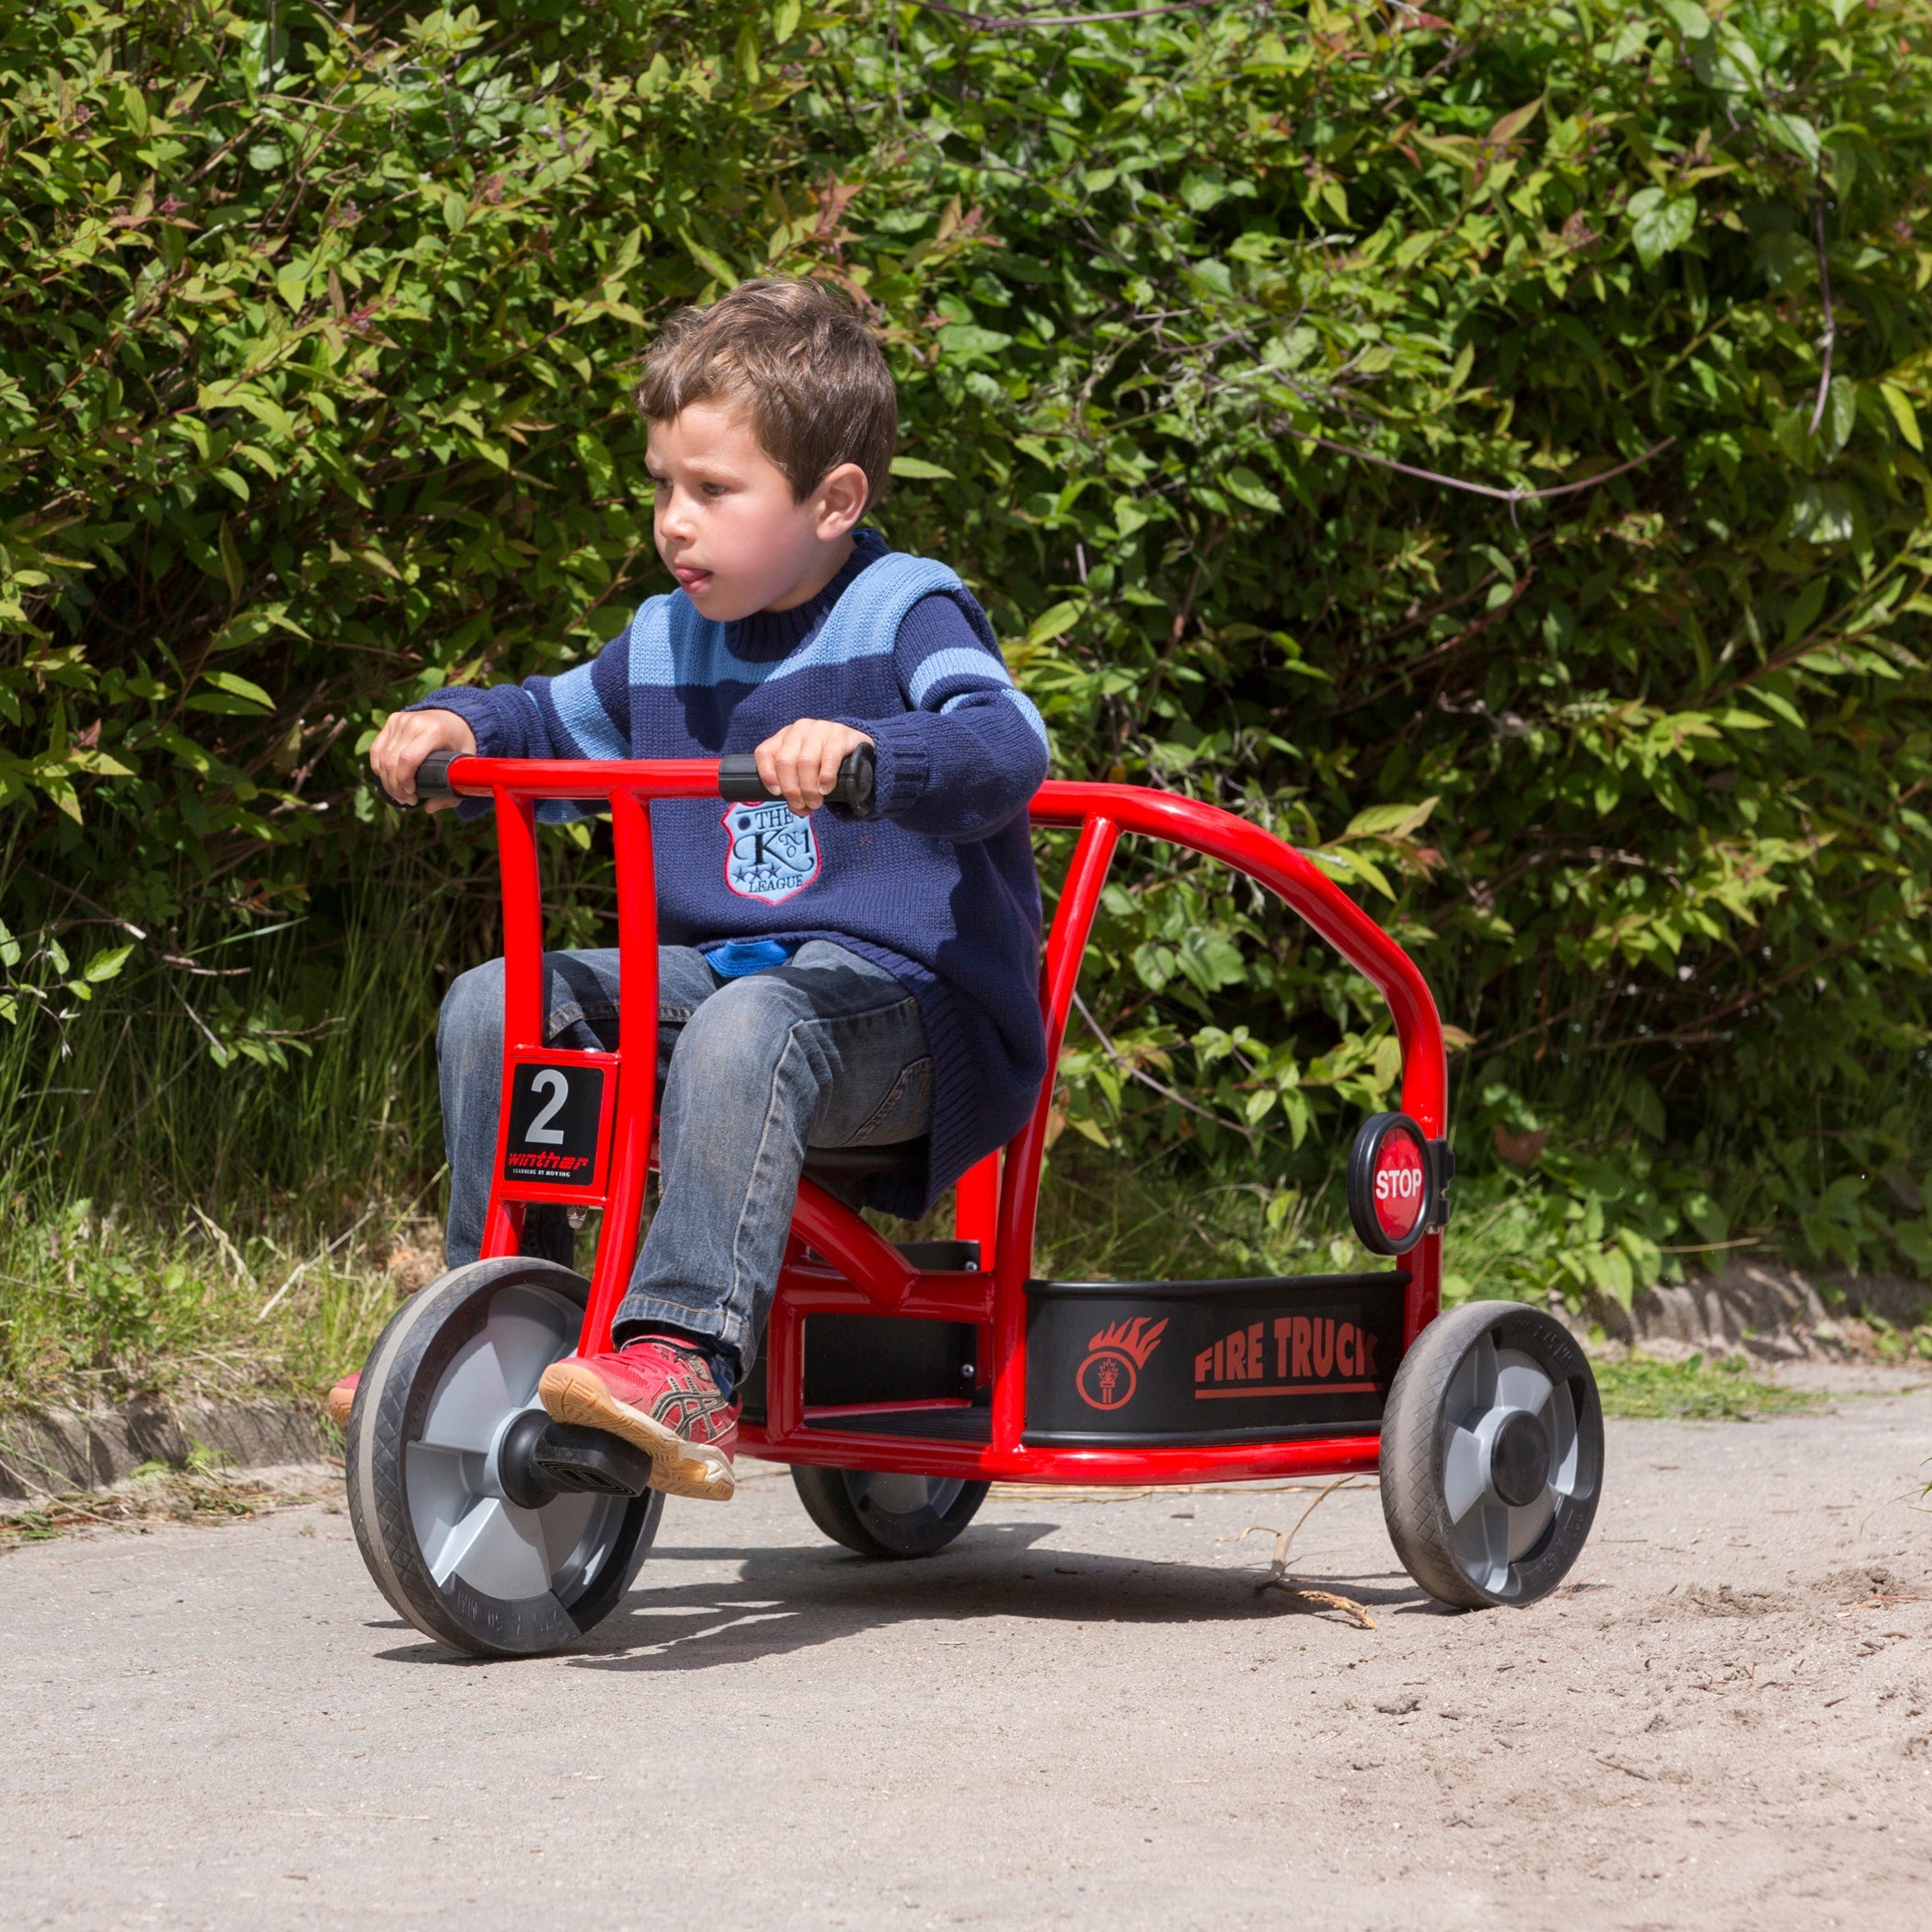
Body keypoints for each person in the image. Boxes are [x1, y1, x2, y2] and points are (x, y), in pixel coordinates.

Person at [363, 278, 1048, 1503]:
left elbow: (1004, 746)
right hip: (742, 991)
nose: (675, 523)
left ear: (834, 502)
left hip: (908, 1016)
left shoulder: (906, 611)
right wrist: (456, 728)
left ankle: (680, 1357)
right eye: (663, 487)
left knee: (749, 1028)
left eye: (714, 492)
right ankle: (499, 1324)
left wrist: (876, 759)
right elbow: (551, 727)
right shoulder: (668, 637)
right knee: (497, 999)